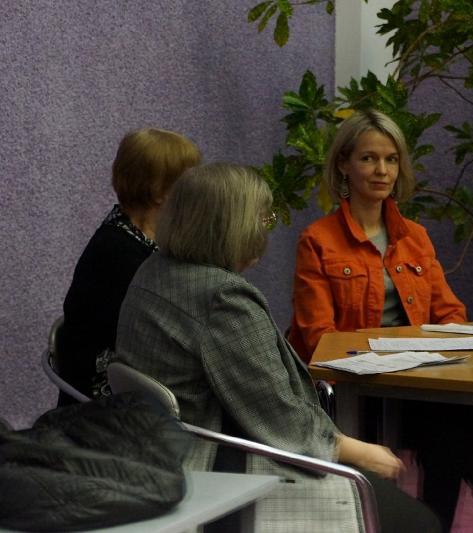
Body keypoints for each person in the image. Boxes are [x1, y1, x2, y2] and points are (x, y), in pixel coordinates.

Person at [114, 163, 440, 533]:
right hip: (214, 464)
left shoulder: (153, 271)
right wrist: (357, 451)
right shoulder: (224, 300)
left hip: (154, 452)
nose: (266, 229)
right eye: (264, 218)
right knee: (420, 523)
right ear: (235, 228)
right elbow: (279, 419)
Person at [289, 109, 473, 533]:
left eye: (391, 159)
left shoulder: (415, 237)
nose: (382, 170)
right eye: (369, 158)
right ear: (344, 165)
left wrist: (444, 346)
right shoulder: (318, 240)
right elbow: (319, 338)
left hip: (415, 385)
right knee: (455, 433)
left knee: (452, 429)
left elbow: (449, 314)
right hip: (355, 391)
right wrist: (386, 357)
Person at [58, 128, 201, 404]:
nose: (197, 191)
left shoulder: (136, 233)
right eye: (189, 182)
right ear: (160, 192)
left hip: (132, 376)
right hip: (106, 399)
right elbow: (167, 334)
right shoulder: (121, 253)